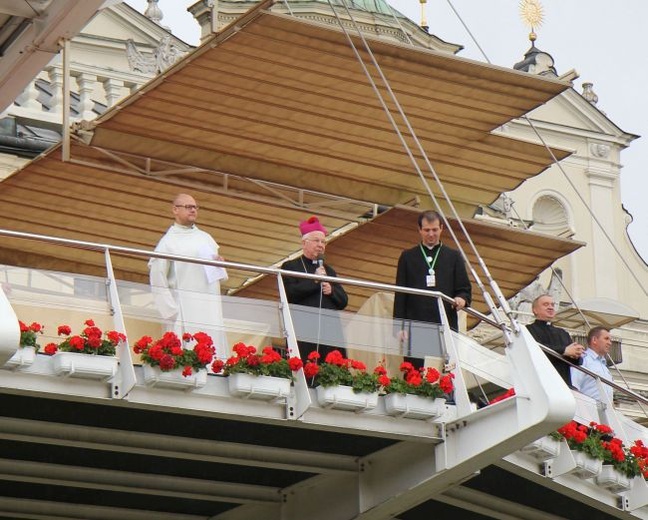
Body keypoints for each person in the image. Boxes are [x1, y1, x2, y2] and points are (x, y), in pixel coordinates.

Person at [149, 194, 229, 360]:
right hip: (183, 307)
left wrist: (219, 264)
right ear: (175, 210)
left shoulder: (205, 238)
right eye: (188, 207)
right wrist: (170, 310)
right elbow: (157, 276)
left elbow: (219, 277)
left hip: (209, 306)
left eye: (195, 207)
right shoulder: (167, 242)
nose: (193, 210)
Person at [393, 210, 472, 364]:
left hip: (444, 324)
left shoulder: (453, 256)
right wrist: (399, 327)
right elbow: (400, 294)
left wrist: (462, 299)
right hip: (415, 325)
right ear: (419, 230)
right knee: (415, 371)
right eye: (427, 230)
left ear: (441, 228)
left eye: (435, 230)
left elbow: (464, 288)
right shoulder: (407, 257)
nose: (431, 234)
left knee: (445, 372)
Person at [281, 216, 348, 361]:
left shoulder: (329, 271)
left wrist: (332, 290)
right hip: (303, 330)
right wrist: (315, 280)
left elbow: (343, 301)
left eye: (323, 242)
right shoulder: (291, 266)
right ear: (304, 243)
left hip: (329, 332)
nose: (321, 245)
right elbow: (290, 294)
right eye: (316, 241)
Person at [526, 294, 584, 387]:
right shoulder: (528, 330)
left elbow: (577, 362)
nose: (550, 307)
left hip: (564, 383)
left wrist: (576, 355)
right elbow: (537, 350)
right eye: (546, 304)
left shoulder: (563, 333)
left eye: (552, 305)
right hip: (543, 382)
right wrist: (564, 351)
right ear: (535, 310)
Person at [571, 326, 614, 402]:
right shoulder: (583, 359)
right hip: (588, 409)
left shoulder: (604, 366)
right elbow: (574, 386)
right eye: (606, 339)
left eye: (610, 340)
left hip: (605, 411)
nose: (610, 343)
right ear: (594, 340)